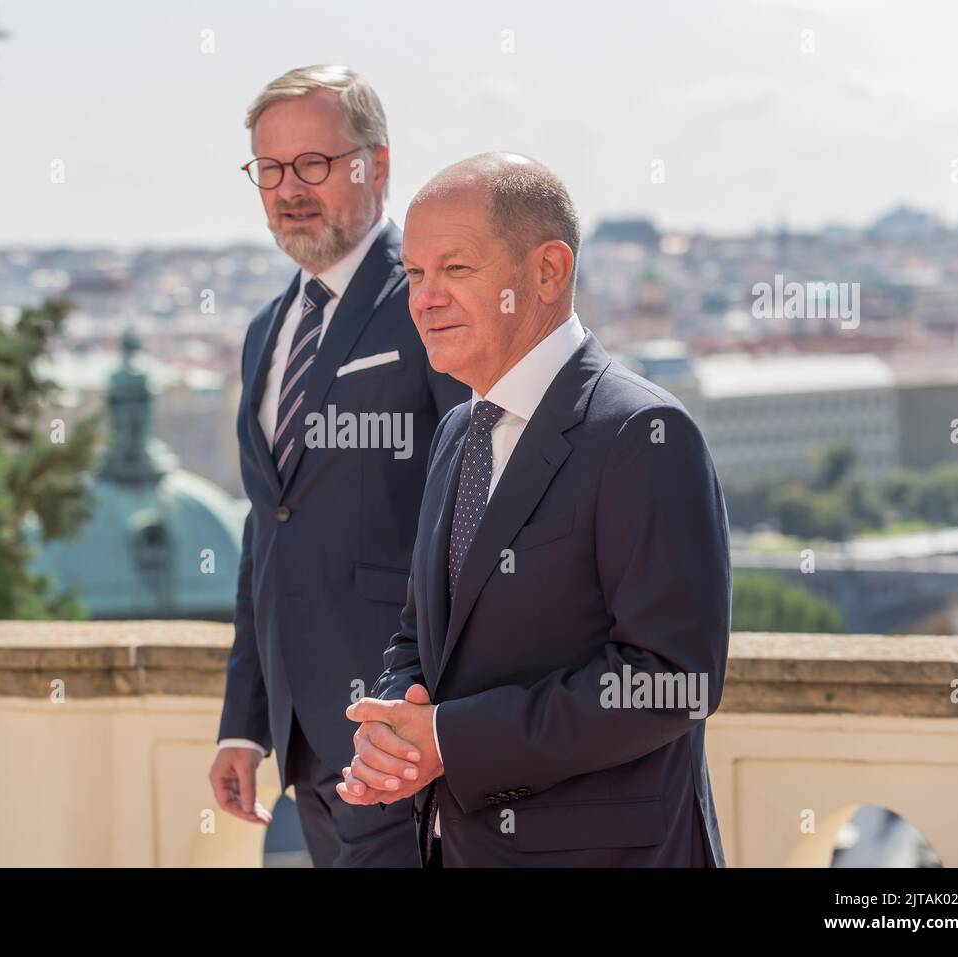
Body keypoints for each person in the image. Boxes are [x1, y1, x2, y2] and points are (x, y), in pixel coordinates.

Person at [338, 152, 730, 867]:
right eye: (414, 274)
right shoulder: (460, 431)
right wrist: (399, 726)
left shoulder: (645, 433)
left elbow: (673, 679)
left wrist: (449, 739)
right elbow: (419, 633)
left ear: (547, 272)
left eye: (454, 269)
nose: (423, 298)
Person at [209, 65, 466, 867]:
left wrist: (441, 712)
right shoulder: (265, 330)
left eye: (314, 164)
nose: (290, 188)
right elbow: (268, 532)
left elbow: (479, 508)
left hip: (406, 733)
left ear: (376, 166)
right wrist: (245, 723)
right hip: (305, 742)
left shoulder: (428, 304)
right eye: (271, 169)